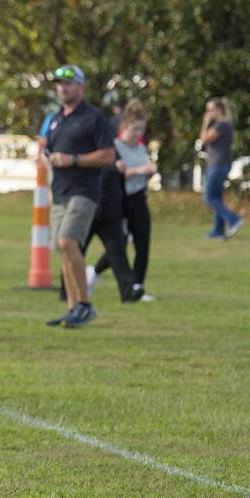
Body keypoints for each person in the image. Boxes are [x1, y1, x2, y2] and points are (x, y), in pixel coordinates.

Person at [42, 65, 116, 328]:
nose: (63, 87)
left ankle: (85, 304)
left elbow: (108, 155)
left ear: (81, 86)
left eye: (69, 83)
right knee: (62, 250)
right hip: (60, 190)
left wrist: (74, 159)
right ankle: (73, 308)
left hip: (84, 191)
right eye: (60, 83)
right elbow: (48, 150)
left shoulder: (94, 118)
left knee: (67, 242)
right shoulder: (55, 119)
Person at [90, 104, 156, 301]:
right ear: (124, 127)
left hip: (138, 198)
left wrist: (149, 173)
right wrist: (137, 171)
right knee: (119, 245)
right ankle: (94, 272)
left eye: (141, 129)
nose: (138, 133)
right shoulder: (115, 148)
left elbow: (142, 172)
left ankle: (138, 285)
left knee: (142, 242)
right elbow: (115, 174)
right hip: (119, 200)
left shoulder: (142, 148)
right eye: (135, 128)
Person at [200, 97, 242, 240]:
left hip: (218, 164)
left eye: (210, 110)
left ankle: (234, 219)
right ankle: (218, 230)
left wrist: (205, 123)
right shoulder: (220, 124)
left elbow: (204, 139)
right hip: (217, 163)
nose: (208, 113)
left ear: (219, 110)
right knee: (216, 197)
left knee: (209, 197)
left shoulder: (222, 125)